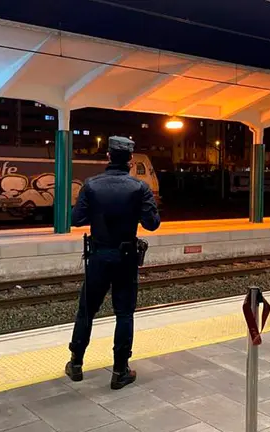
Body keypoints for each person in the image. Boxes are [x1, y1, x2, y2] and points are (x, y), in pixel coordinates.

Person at [65, 136, 161, 390]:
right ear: (130, 160)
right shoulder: (140, 188)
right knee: (124, 313)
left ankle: (75, 363)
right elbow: (152, 223)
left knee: (87, 310)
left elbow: (76, 219)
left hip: (98, 255)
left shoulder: (92, 185)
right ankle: (120, 371)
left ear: (108, 156)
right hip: (126, 258)